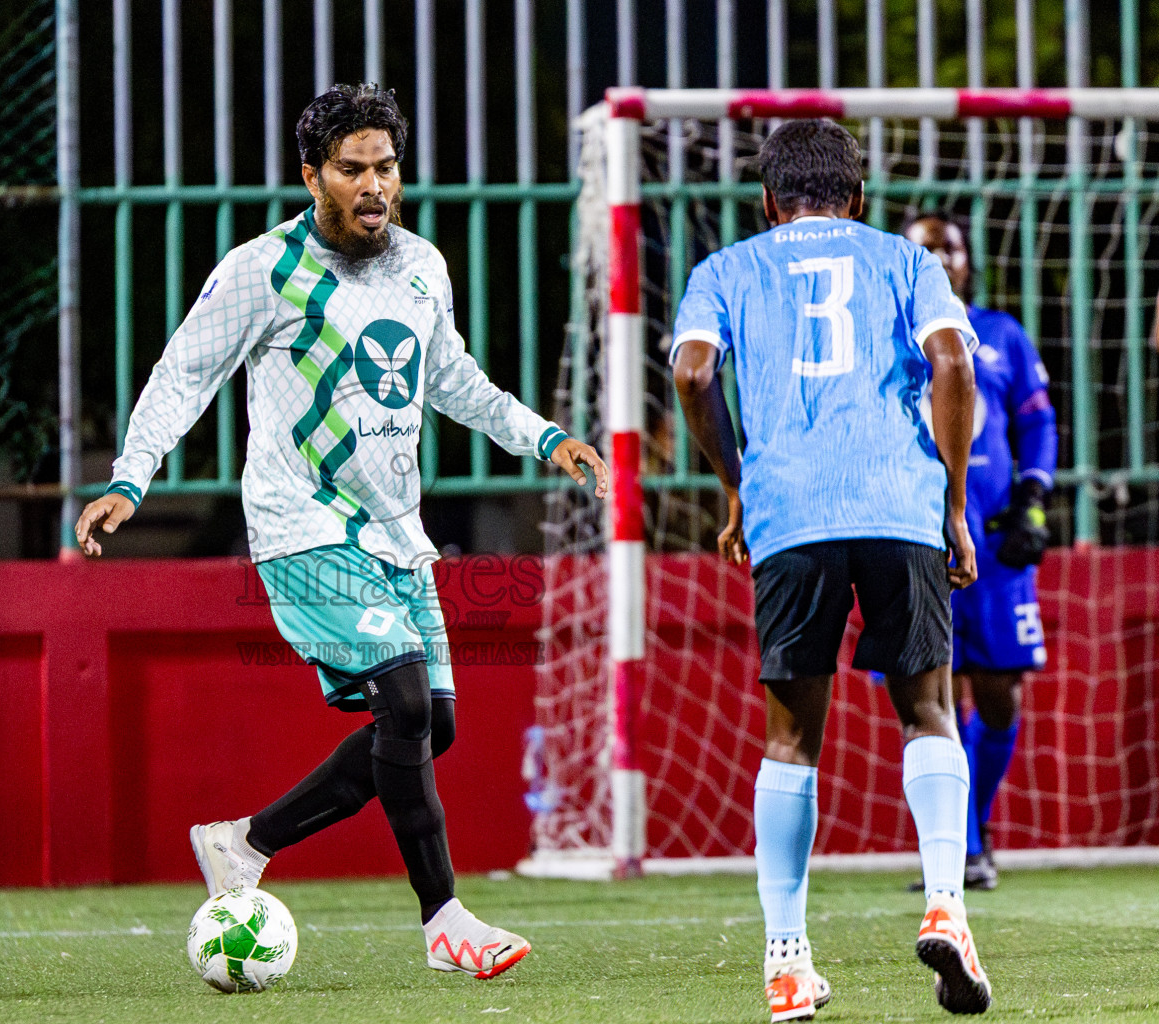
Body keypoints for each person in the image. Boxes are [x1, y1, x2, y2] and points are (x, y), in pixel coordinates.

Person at [75, 84, 608, 981]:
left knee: (431, 726)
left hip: (397, 535)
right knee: (404, 699)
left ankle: (246, 842)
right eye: (352, 169)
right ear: (312, 176)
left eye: (386, 168)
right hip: (302, 526)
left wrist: (543, 437)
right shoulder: (262, 269)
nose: (373, 186)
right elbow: (183, 375)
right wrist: (132, 477)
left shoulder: (422, 265)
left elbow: (452, 378)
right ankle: (445, 922)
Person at [670, 119, 991, 1020]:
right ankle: (946, 905)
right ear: (857, 195)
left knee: (790, 741)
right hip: (898, 504)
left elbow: (692, 375)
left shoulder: (726, 269)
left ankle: (786, 960)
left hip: (791, 515)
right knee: (928, 710)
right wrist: (953, 504)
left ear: (767, 200)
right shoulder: (905, 259)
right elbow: (952, 360)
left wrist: (736, 485)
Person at [902, 212, 1057, 892]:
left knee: (998, 701)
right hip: (915, 543)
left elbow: (1038, 420)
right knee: (928, 699)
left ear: (968, 260)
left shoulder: (1001, 334)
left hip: (992, 549)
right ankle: (962, 849)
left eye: (950, 247)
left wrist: (1034, 497)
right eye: (924, 248)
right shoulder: (888, 333)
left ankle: (976, 825)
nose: (939, 257)